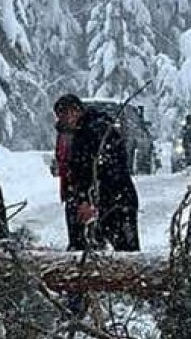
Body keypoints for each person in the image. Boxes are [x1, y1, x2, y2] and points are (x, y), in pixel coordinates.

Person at [52, 94, 139, 252]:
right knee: (81, 247)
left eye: (64, 115)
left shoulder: (97, 131)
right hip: (81, 199)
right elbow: (72, 167)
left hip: (115, 200)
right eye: (59, 116)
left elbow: (101, 169)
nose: (61, 120)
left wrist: (90, 201)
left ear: (75, 111)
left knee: (126, 251)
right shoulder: (70, 133)